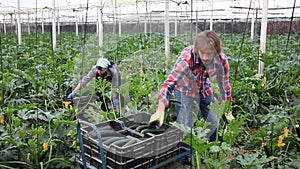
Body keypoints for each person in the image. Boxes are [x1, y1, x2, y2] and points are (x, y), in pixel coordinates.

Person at [149, 30, 232, 142]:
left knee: (213, 121)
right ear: (197, 50)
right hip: (184, 90)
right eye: (202, 53)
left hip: (204, 89)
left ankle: (212, 151)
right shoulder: (186, 60)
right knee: (186, 127)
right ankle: (186, 158)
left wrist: (226, 106)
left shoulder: (221, 60)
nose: (205, 57)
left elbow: (224, 86)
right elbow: (169, 83)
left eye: (209, 53)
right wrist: (161, 107)